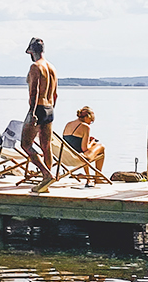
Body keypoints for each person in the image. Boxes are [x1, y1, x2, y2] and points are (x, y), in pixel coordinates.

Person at [22, 38, 58, 193]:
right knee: (46, 146)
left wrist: (33, 112)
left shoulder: (35, 67)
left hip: (38, 108)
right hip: (50, 108)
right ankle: (46, 181)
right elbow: (55, 94)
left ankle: (46, 174)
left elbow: (34, 92)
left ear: (31, 51)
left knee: (26, 144)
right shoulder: (52, 67)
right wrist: (50, 110)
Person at [62, 105, 106, 174]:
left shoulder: (68, 124)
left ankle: (88, 176)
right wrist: (92, 142)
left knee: (84, 152)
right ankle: (98, 177)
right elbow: (84, 149)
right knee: (101, 147)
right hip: (79, 158)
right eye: (91, 120)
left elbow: (72, 143)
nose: (90, 123)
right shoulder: (85, 127)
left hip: (65, 157)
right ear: (86, 117)